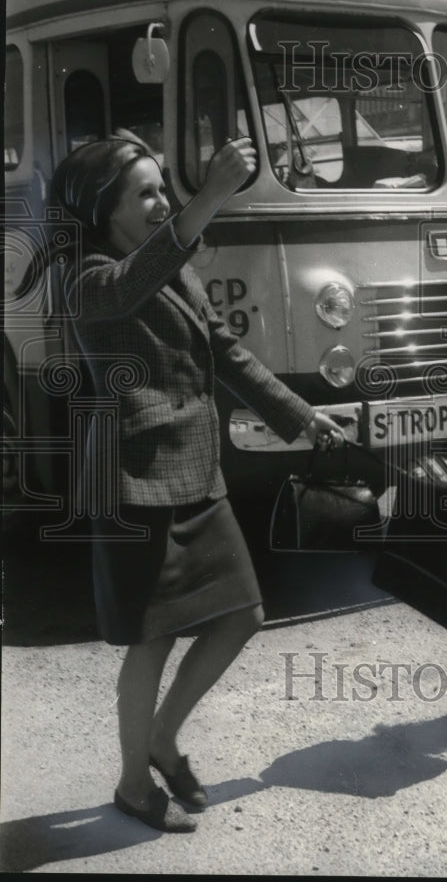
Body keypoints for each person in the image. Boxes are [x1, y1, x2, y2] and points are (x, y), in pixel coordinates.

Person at [54, 134, 345, 833]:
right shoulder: (86, 277)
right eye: (147, 194)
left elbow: (226, 352)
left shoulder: (173, 265)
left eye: (165, 189)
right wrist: (209, 196)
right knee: (151, 639)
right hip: (132, 479)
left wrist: (300, 416)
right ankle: (132, 782)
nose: (162, 203)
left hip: (195, 468)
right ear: (104, 208)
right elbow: (131, 283)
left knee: (242, 612)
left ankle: (162, 738)